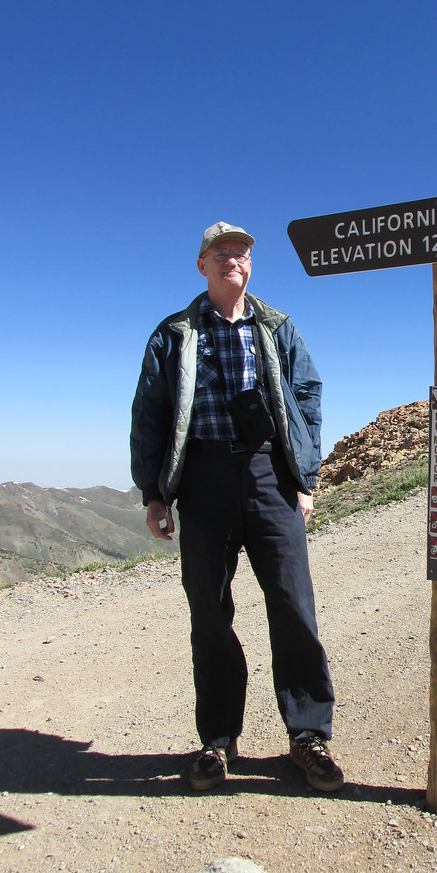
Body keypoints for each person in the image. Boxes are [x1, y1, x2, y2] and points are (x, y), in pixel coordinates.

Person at [130, 221, 343, 793]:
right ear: (202, 265)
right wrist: (154, 493)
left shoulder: (275, 327)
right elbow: (149, 415)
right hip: (202, 479)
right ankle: (218, 740)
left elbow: (308, 396)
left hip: (269, 474)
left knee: (294, 605)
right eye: (222, 253)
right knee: (209, 612)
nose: (234, 260)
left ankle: (307, 735)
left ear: (251, 265)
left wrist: (304, 476)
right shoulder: (173, 334)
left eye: (243, 253)